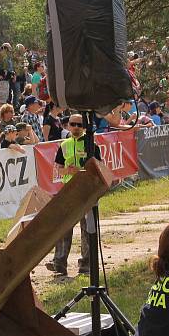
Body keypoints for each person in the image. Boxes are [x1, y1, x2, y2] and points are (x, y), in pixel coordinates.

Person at [47, 113, 95, 276]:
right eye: (73, 124)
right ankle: (59, 263)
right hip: (68, 189)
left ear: (84, 127)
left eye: (79, 125)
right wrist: (66, 170)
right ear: (67, 126)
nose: (75, 127)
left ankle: (86, 265)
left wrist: (81, 171)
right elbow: (58, 168)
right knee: (64, 227)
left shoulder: (91, 143)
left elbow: (99, 167)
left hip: (86, 189)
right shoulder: (64, 145)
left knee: (87, 228)